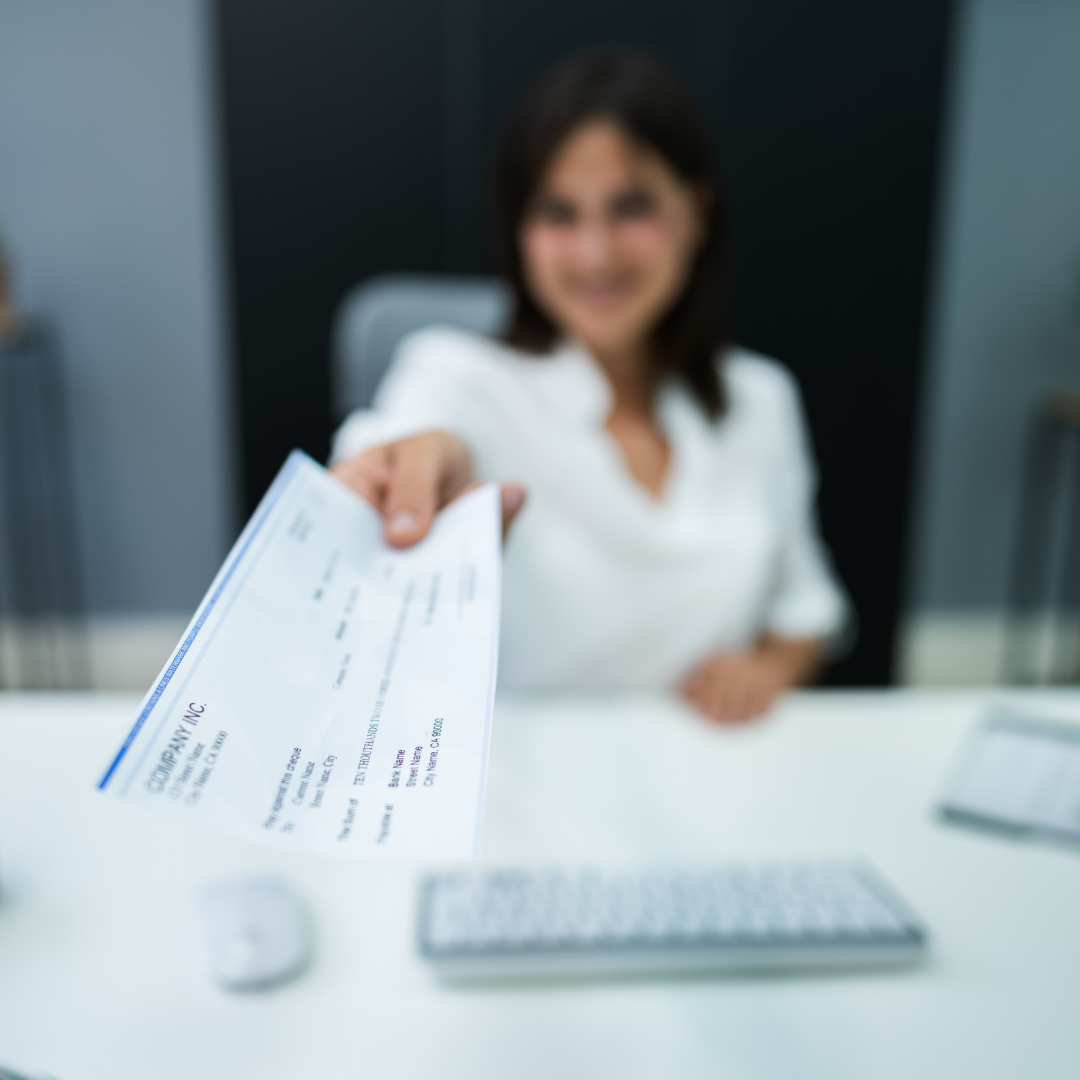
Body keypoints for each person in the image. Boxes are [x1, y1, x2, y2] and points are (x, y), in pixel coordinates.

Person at [330, 51, 848, 722]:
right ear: (521, 231)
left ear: (695, 211)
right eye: (558, 213)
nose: (595, 253)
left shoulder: (760, 400)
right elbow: (412, 436)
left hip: (710, 780)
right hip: (521, 795)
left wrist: (769, 669)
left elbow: (805, 608)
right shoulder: (459, 375)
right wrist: (411, 469)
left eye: (630, 207)